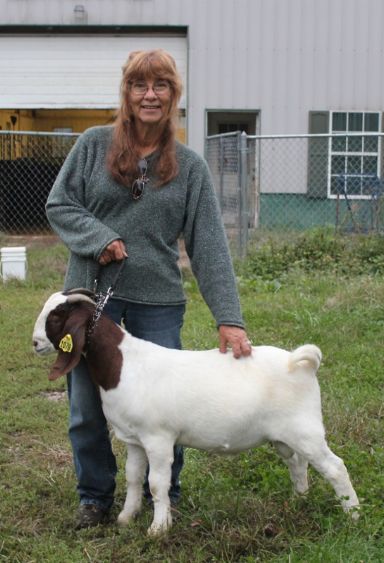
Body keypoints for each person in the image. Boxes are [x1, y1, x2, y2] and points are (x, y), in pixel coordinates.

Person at [46, 49, 252, 529]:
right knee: (87, 405)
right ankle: (94, 497)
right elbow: (60, 205)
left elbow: (210, 246)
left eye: (161, 85)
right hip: (90, 299)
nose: (150, 95)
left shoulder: (190, 167)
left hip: (157, 300)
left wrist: (230, 317)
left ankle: (167, 493)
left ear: (173, 96)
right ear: (126, 94)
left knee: (167, 404)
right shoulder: (93, 146)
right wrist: (100, 239)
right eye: (139, 85)